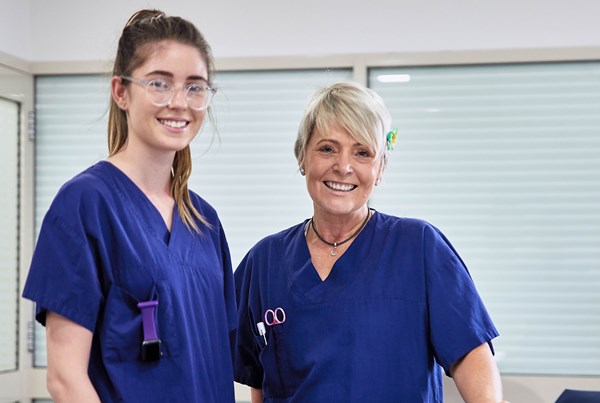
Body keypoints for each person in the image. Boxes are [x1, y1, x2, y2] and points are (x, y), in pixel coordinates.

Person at [234, 81, 508, 402]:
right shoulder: (264, 261)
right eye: (327, 148)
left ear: (380, 169)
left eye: (362, 153)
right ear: (302, 157)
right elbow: (259, 382)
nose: (344, 166)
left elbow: (471, 357)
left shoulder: (418, 247)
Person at [22, 9, 236, 402]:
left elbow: (211, 363)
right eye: (159, 82)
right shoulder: (85, 206)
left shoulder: (205, 222)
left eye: (195, 86)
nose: (178, 102)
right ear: (120, 91)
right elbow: (65, 380)